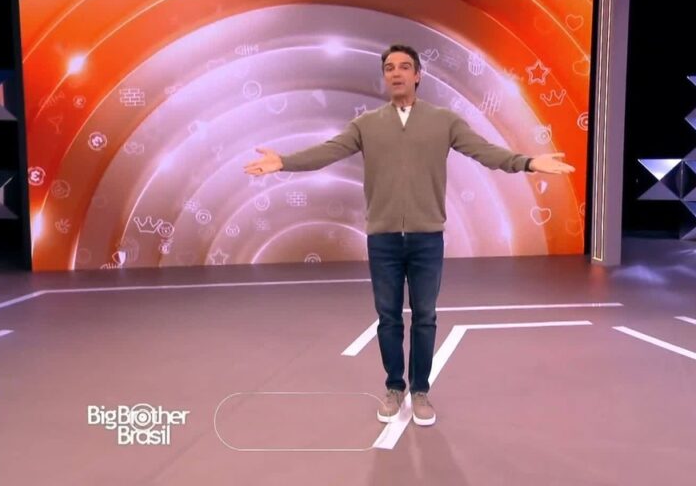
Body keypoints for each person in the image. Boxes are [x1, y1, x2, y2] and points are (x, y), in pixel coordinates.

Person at [244, 44, 574, 426]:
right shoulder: (366, 124)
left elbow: (485, 152)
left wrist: (529, 162)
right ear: (384, 77)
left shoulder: (444, 121)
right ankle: (393, 387)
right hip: (383, 240)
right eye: (389, 68)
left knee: (425, 317)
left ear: (418, 75)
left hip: (426, 239)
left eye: (404, 67)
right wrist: (283, 162)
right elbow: (326, 152)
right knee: (388, 318)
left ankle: (420, 392)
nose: (396, 73)